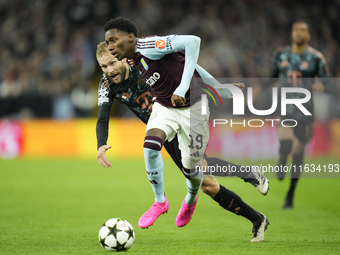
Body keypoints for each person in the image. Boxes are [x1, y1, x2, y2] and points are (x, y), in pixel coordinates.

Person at [96, 41, 269, 242]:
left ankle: (253, 197)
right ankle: (257, 213)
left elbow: (187, 63)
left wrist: (218, 86)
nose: (109, 70)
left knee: (205, 179)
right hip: (163, 128)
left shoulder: (141, 61)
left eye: (112, 63)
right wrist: (101, 143)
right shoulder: (107, 85)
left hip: (185, 112)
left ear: (122, 58)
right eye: (104, 67)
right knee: (207, 183)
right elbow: (102, 116)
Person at [263, 21, 331, 209]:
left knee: (299, 153)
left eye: (303, 30)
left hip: (306, 113)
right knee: (286, 144)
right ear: (292, 33)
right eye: (296, 29)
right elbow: (273, 76)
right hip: (286, 109)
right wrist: (258, 89)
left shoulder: (317, 58)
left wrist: (322, 85)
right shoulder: (280, 55)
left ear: (308, 35)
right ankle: (283, 157)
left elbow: (329, 81)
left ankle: (291, 193)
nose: (299, 33)